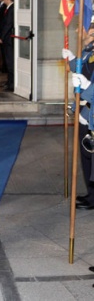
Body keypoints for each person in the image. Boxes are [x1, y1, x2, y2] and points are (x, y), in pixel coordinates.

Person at [63, 25, 94, 209]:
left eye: (83, 30)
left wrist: (88, 86)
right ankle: (92, 195)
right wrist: (73, 59)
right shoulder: (89, 50)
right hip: (86, 114)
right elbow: (79, 67)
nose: (78, 32)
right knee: (86, 157)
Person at [0, 0, 15, 91]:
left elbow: (8, 24)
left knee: (10, 62)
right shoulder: (7, 8)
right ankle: (9, 81)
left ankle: (12, 84)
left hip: (8, 39)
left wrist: (2, 37)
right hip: (6, 39)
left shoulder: (12, 9)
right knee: (8, 62)